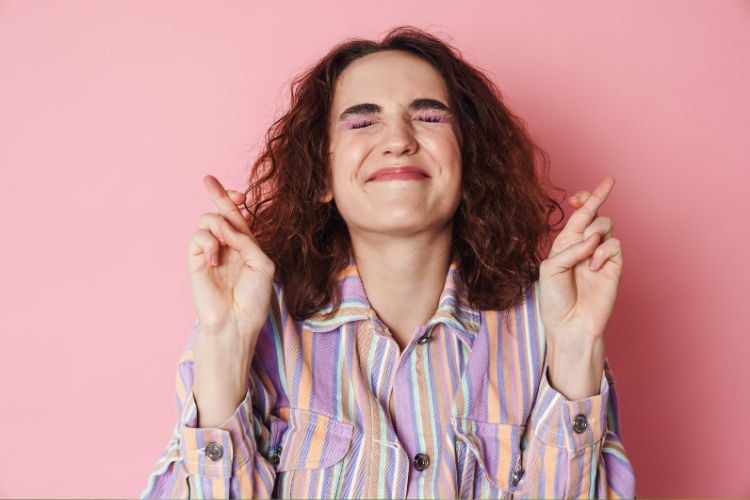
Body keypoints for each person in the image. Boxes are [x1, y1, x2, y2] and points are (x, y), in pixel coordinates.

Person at [141, 26, 636, 499]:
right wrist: (226, 344)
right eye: (361, 121)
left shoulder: (547, 325)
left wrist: (576, 348)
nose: (398, 138)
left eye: (429, 116)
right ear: (323, 176)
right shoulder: (250, 323)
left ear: (469, 163)